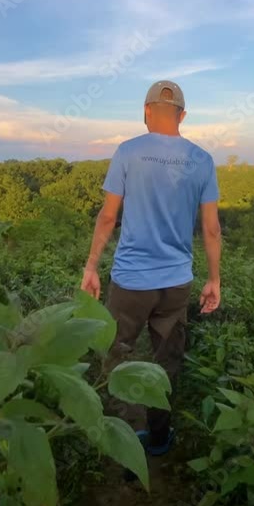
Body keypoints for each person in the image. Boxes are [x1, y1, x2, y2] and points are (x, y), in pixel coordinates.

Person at [80, 79, 221, 456]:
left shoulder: (127, 152)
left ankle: (114, 435)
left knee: (115, 352)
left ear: (145, 112)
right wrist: (214, 279)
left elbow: (108, 217)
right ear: (183, 115)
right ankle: (158, 438)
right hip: (176, 283)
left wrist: (91, 267)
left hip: (130, 282)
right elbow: (210, 228)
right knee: (167, 362)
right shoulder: (202, 160)